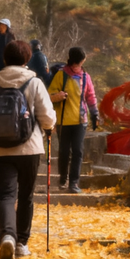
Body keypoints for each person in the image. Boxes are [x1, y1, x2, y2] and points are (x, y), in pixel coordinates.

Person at [0, 39, 55, 259]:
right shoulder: (34, 82)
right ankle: (21, 243)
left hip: (0, 149)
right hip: (30, 148)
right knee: (26, 195)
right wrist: (49, 128)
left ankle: (7, 236)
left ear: (4, 59)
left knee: (5, 195)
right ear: (27, 59)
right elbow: (47, 117)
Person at [48, 46, 99, 193]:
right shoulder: (61, 75)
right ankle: (63, 179)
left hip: (80, 121)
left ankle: (74, 183)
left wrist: (94, 114)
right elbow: (49, 95)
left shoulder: (85, 76)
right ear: (80, 60)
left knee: (77, 151)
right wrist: (58, 96)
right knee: (64, 151)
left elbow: (90, 96)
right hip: (63, 121)